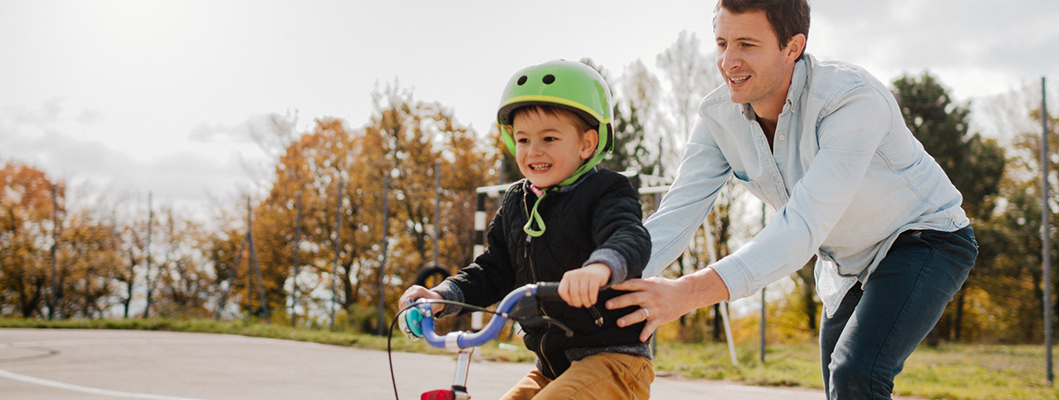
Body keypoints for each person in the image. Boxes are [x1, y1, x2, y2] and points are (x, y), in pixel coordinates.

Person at [604, 1, 978, 399]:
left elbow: (802, 226)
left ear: (792, 47)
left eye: (747, 44)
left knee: (856, 372)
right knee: (840, 382)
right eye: (721, 43)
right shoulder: (717, 118)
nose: (729, 61)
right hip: (845, 261)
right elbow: (673, 217)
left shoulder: (851, 100)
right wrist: (594, 278)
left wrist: (686, 292)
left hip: (925, 239)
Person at [397, 60, 654, 400]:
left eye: (549, 138)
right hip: (551, 366)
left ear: (587, 144)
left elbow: (628, 236)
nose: (533, 151)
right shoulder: (517, 202)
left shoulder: (607, 190)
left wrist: (599, 267)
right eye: (522, 139)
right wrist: (443, 295)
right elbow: (493, 269)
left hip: (613, 361)